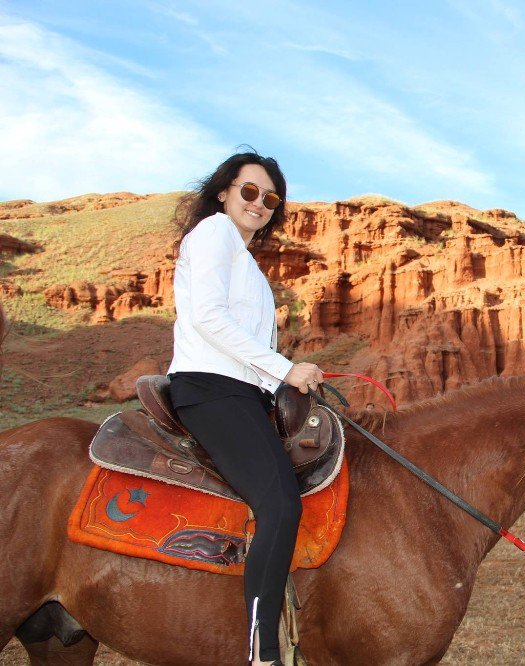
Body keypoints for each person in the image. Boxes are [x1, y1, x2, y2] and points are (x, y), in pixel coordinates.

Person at [167, 150, 324, 666]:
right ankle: (262, 651)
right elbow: (209, 319)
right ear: (224, 192)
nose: (259, 203)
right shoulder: (214, 233)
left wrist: (283, 381)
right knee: (280, 502)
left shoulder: (243, 256)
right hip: (211, 388)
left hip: (239, 390)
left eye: (269, 198)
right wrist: (284, 369)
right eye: (249, 191)